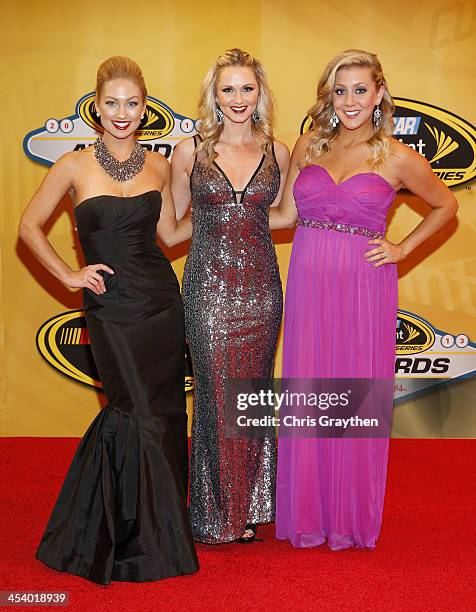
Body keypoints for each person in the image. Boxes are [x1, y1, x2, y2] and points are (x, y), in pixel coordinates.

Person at [19, 56, 198, 583]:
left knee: (161, 413)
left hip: (160, 302)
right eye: (112, 103)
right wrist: (69, 275)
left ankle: (157, 535)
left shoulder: (159, 166)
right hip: (110, 307)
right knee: (133, 409)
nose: (123, 113)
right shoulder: (73, 165)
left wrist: (226, 207)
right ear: (96, 108)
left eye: (133, 103)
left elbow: (169, 236)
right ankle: (120, 537)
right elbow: (29, 226)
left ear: (146, 109)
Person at [271, 49, 458, 550]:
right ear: (328, 96)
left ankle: (349, 518)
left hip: (362, 287)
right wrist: (220, 220)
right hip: (309, 283)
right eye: (340, 90)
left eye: (360, 89)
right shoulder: (308, 144)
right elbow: (285, 216)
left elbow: (446, 204)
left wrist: (401, 247)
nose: (350, 100)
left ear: (378, 94)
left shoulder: (396, 156)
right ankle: (308, 512)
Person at [171, 48, 289, 544]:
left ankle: (249, 507)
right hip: (208, 289)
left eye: (247, 88)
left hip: (261, 289)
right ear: (213, 96)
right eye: (228, 89)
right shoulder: (190, 151)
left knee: (252, 394)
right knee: (217, 399)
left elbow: (283, 217)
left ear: (260, 92)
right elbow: (173, 229)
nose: (238, 98)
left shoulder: (278, 152)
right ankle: (214, 513)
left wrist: (240, 220)